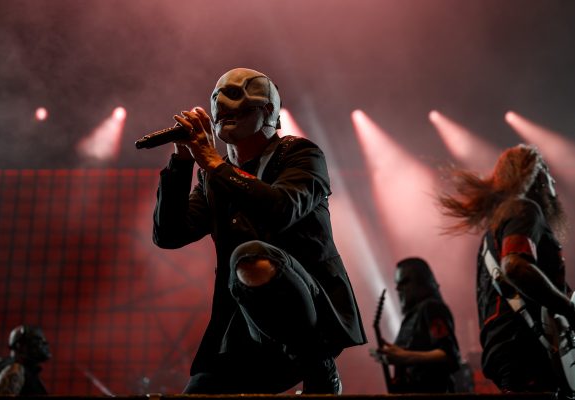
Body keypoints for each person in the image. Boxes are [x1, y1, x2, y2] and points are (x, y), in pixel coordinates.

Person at [152, 67, 366, 394]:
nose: (221, 107)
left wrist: (212, 162)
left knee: (251, 256)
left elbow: (282, 209)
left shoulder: (301, 154)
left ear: (267, 110)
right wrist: (182, 162)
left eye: (234, 98)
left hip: (304, 309)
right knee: (199, 392)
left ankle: (318, 361)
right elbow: (169, 234)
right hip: (240, 321)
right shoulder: (212, 175)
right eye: (216, 101)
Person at [438, 144, 575, 398]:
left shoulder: (496, 227)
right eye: (547, 171)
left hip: (511, 349)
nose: (553, 180)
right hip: (527, 348)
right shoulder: (525, 209)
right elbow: (514, 266)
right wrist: (570, 311)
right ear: (536, 174)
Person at [370, 257, 461, 393]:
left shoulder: (431, 307)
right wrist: (394, 352)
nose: (398, 289)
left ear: (422, 282)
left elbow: (449, 354)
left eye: (404, 282)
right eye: (397, 284)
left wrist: (403, 356)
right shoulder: (412, 316)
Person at [0, 325, 51, 396]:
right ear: (19, 345)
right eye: (37, 340)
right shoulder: (15, 369)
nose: (44, 344)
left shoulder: (27, 371)